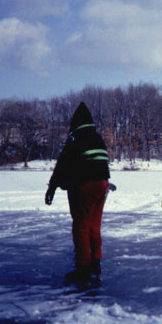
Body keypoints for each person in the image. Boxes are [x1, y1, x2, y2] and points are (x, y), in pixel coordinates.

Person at [45, 102, 110, 284]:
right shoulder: (98, 138)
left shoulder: (76, 138)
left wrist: (52, 187)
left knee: (81, 226)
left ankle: (83, 267)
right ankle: (96, 261)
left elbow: (63, 164)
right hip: (103, 185)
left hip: (86, 186)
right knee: (94, 225)